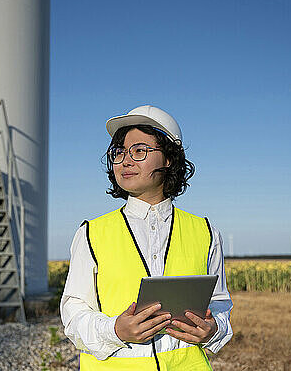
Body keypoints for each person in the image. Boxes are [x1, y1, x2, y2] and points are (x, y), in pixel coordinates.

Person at [60, 105, 233, 370]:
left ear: (169, 159)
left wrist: (213, 329)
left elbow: (219, 304)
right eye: (119, 152)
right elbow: (74, 314)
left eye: (139, 150)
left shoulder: (207, 232)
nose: (125, 160)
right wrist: (115, 330)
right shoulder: (90, 233)